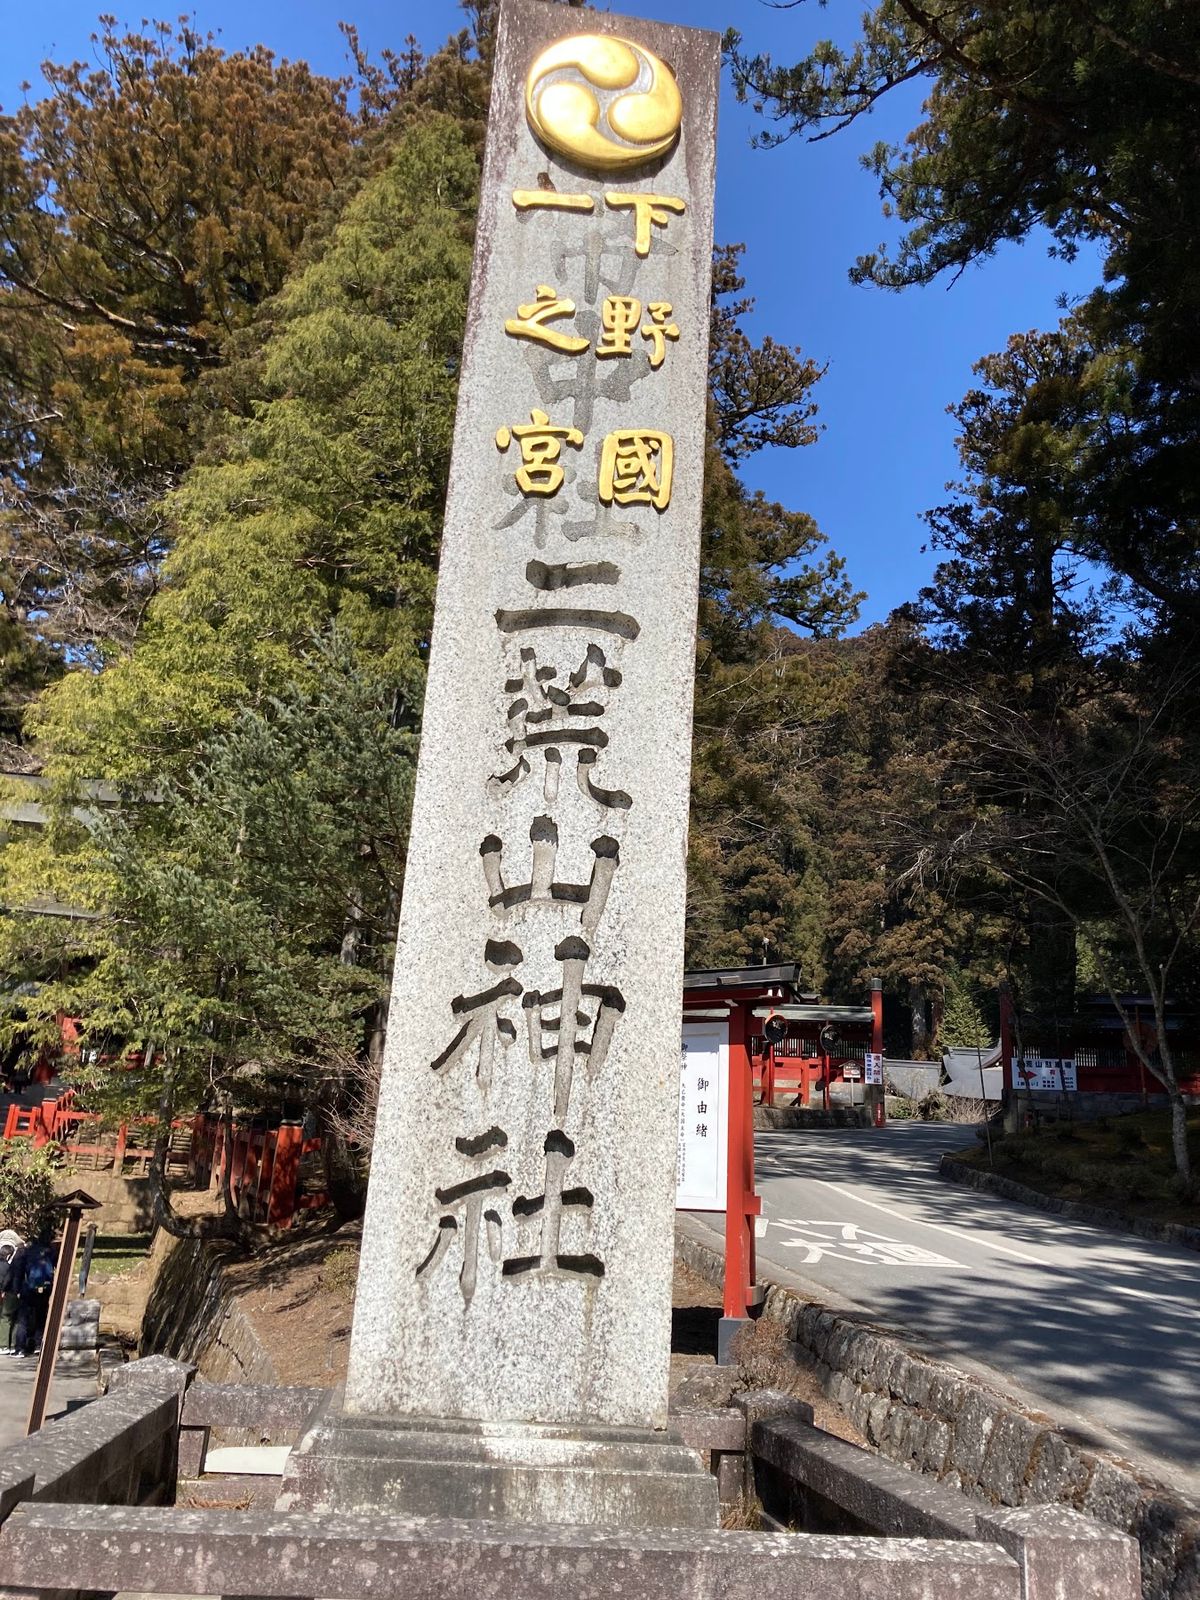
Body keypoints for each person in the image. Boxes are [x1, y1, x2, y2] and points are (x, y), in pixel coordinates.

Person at [10, 1230, 55, 1358]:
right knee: (41, 1317)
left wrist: (16, 1289)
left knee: (23, 1319)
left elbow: (19, 1272)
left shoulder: (27, 1252)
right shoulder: (50, 1251)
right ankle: (38, 1345)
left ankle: (20, 1348)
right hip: (45, 1288)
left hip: (28, 1288)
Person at [0, 1233, 22, 1354]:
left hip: (5, 1294)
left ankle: (3, 1345)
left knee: (4, 1319)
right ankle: (13, 1345)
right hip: (13, 1293)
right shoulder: (10, 1266)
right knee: (13, 1319)